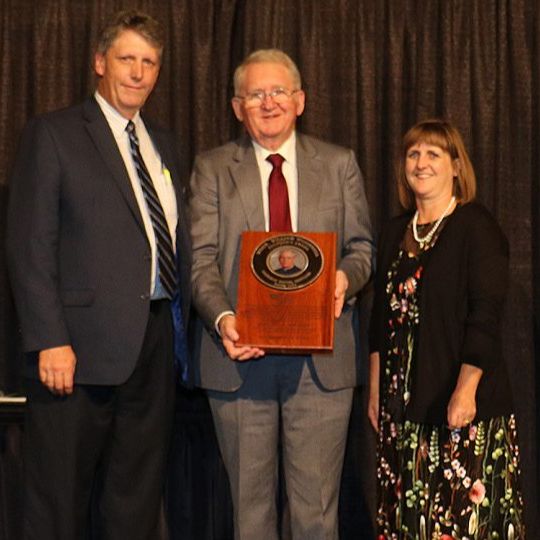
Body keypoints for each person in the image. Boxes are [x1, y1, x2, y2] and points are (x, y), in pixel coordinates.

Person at [6, 10, 191, 540]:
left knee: (134, 499)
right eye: (126, 58)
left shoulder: (166, 144)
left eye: (149, 62)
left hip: (154, 345)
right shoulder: (54, 134)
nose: (137, 72)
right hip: (75, 353)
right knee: (58, 499)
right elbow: (30, 245)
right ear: (99, 62)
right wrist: (49, 339)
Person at [190, 48, 374, 539]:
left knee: (316, 515)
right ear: (236, 107)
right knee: (250, 517)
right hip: (239, 358)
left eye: (278, 92)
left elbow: (361, 249)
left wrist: (344, 280)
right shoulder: (211, 169)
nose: (267, 103)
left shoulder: (339, 165)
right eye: (255, 94)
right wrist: (225, 319)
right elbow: (200, 261)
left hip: (321, 361)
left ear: (300, 100)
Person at [368, 119, 525, 538]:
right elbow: (380, 322)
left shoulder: (477, 227)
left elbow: (485, 316)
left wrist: (466, 389)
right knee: (409, 520)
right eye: (413, 154)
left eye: (433, 154)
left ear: (456, 166)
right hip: (402, 410)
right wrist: (375, 392)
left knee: (461, 524)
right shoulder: (392, 233)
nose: (421, 163)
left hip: (460, 404)